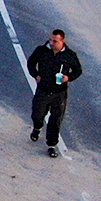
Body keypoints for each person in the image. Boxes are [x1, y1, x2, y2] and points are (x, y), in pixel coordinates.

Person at [26, 29, 83, 158]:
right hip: (43, 90)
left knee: (56, 120)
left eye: (55, 41)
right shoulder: (42, 50)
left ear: (62, 41)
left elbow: (78, 70)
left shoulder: (69, 55)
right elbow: (31, 63)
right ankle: (37, 127)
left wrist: (68, 77)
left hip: (59, 93)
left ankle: (51, 145)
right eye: (51, 40)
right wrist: (36, 75)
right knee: (37, 114)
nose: (51, 43)